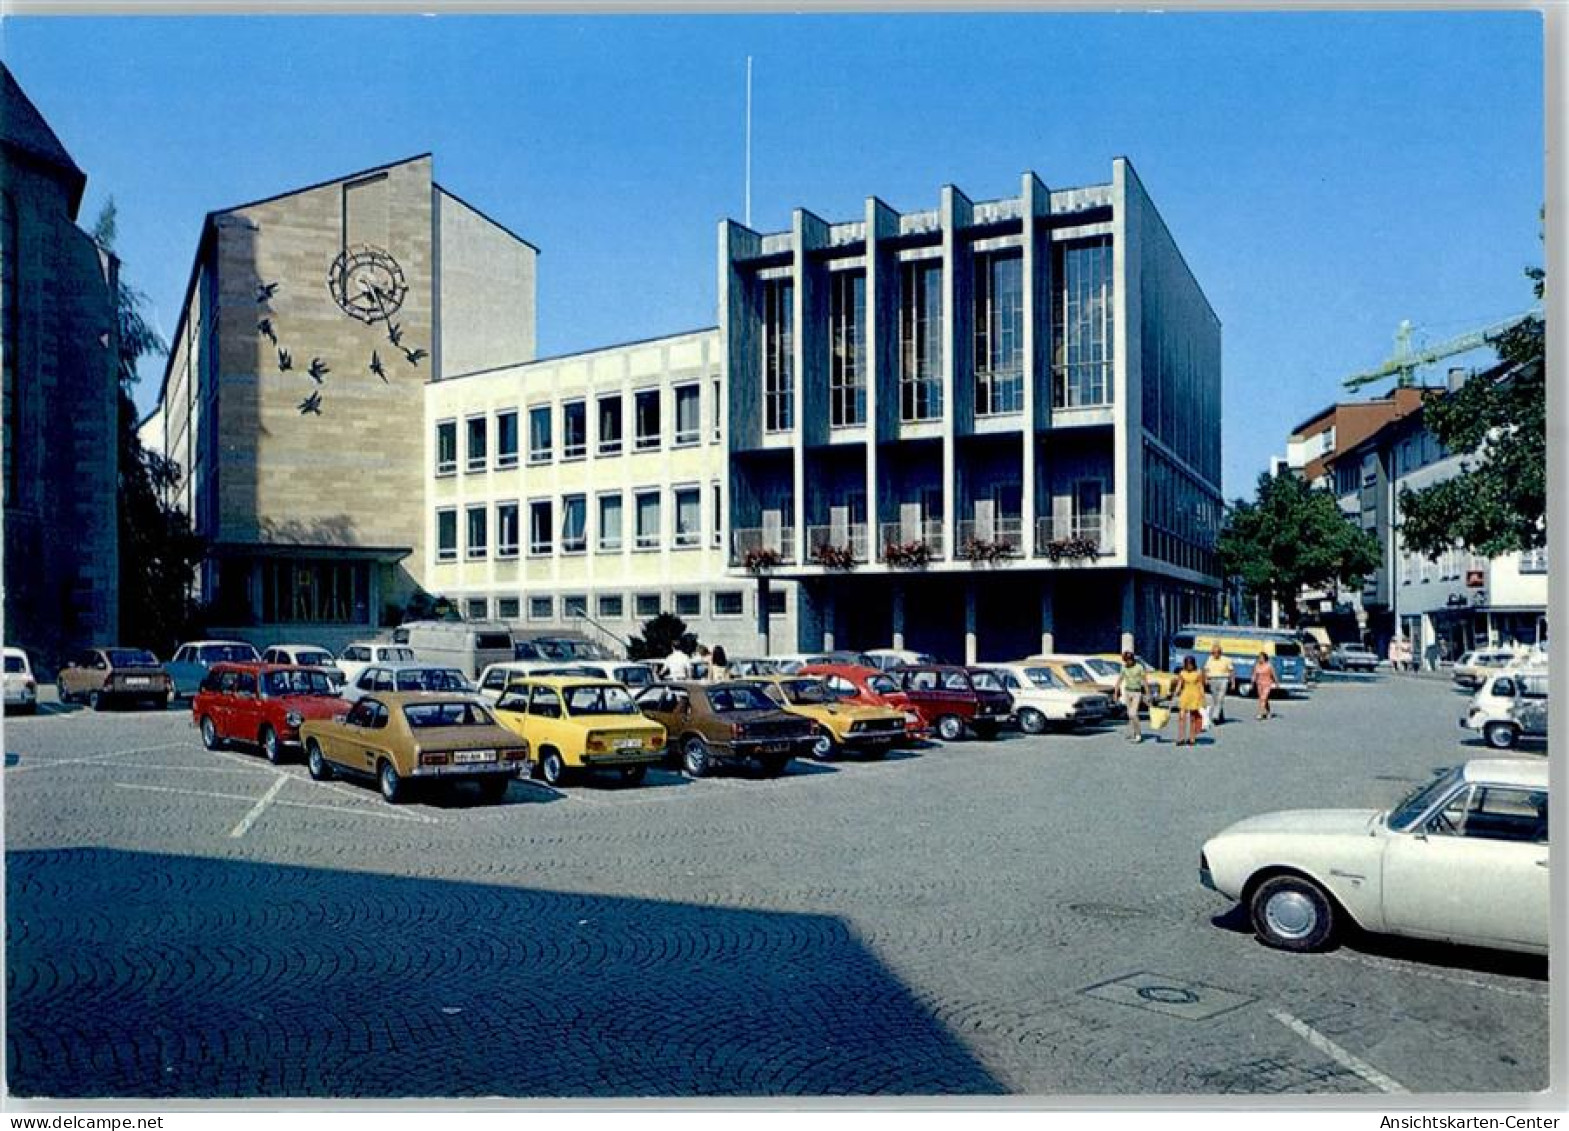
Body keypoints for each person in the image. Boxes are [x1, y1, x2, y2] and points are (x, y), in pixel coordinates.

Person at [1112, 650, 1149, 743]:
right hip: (1127, 691)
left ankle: (1138, 734)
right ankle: (1133, 732)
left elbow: (1144, 682)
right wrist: (1115, 693)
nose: (1128, 662)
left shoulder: (1139, 667)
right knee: (1130, 714)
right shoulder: (1124, 668)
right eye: (1126, 660)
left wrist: (1148, 694)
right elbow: (1119, 681)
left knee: (1133, 713)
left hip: (1137, 692)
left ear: (1132, 659)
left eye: (1129, 660)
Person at [1174, 655, 1207, 747]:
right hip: (1185, 694)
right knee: (1181, 717)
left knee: (1193, 718)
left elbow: (1200, 686)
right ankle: (1181, 737)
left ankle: (1192, 737)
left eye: (1190, 664)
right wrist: (1175, 693)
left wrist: (1203, 698)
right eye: (1187, 664)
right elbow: (1179, 684)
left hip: (1194, 695)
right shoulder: (1182, 672)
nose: (1189, 666)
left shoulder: (1198, 673)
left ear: (1193, 664)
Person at [1202, 643, 1235, 724]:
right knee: (1216, 700)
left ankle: (1215, 716)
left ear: (1220, 652)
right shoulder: (1209, 659)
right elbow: (1206, 669)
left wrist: (1233, 682)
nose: (1214, 654)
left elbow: (1232, 671)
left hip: (1223, 680)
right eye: (1213, 652)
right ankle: (1221, 717)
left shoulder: (1226, 660)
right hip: (1212, 680)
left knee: (1220, 699)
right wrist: (1205, 679)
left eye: (1216, 652)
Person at [1253, 651, 1278, 720]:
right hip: (1259, 684)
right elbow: (1254, 674)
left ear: (1265, 658)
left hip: (1267, 684)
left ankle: (1260, 714)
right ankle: (1268, 712)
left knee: (1263, 698)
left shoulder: (1269, 665)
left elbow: (1274, 675)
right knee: (1264, 699)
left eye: (1261, 658)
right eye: (1259, 658)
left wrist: (1276, 683)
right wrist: (1252, 682)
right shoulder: (1257, 665)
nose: (1260, 659)